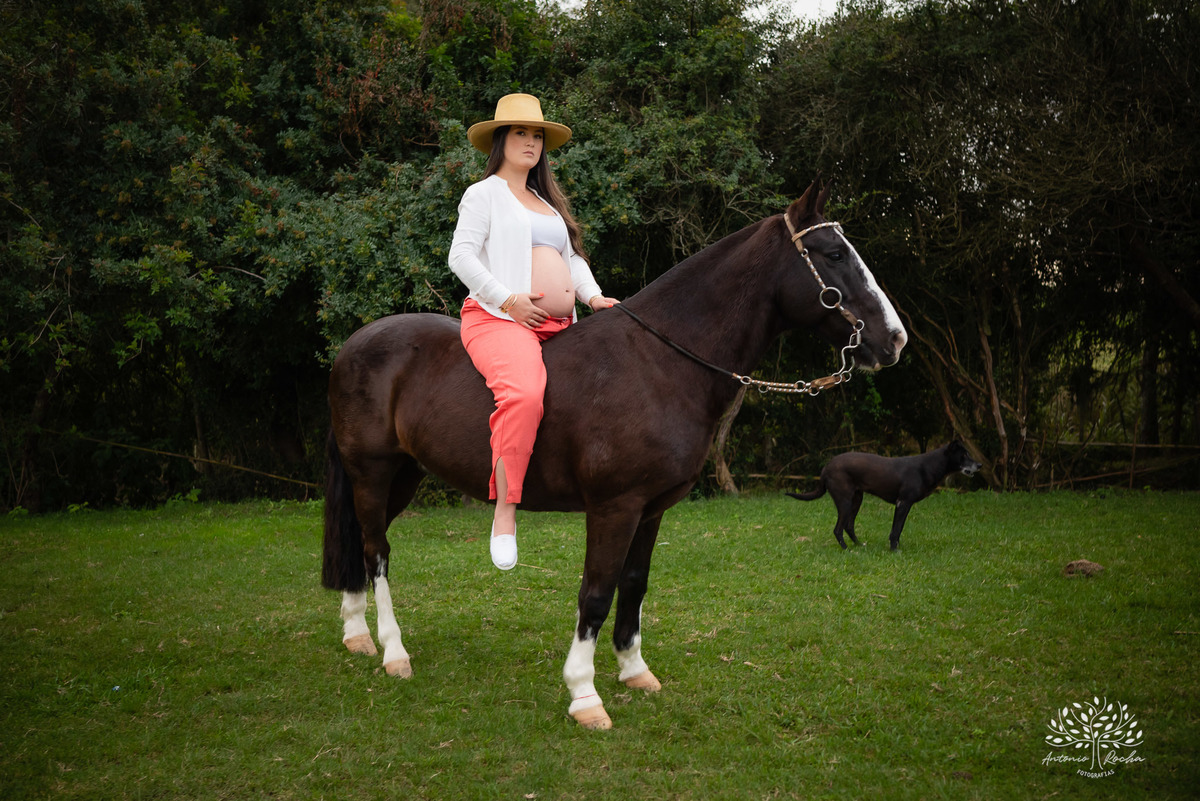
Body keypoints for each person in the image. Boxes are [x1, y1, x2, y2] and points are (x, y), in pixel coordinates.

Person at [449, 93, 620, 571]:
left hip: (561, 324)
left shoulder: (546, 203)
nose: (530, 141)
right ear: (500, 140)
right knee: (524, 395)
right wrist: (507, 299)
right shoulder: (483, 194)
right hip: (500, 319)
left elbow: (571, 261)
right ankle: (505, 511)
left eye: (537, 134)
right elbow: (460, 256)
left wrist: (593, 297)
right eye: (521, 133)